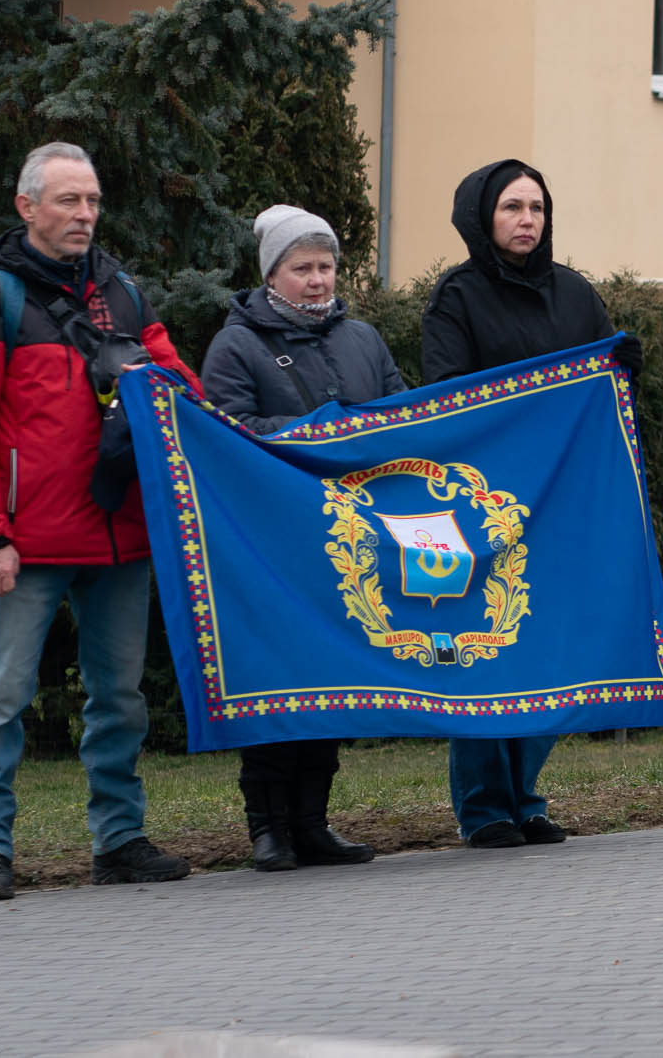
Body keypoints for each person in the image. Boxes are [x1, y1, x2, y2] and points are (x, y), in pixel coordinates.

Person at [0, 141, 197, 902]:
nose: (84, 215)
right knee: (2, 697)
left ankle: (119, 839)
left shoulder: (123, 292)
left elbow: (180, 388)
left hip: (119, 534)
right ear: (26, 206)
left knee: (120, 698)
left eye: (92, 201)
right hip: (26, 543)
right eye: (67, 201)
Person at [420, 160, 642, 847]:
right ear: (482, 217)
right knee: (487, 650)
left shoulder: (573, 294)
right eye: (512, 207)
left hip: (560, 503)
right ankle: (484, 805)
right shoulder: (455, 297)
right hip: (482, 505)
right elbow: (445, 395)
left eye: (537, 207)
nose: (527, 219)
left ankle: (527, 796)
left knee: (549, 647)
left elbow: (606, 397)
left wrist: (624, 368)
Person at [199, 206, 406, 871]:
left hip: (349, 541)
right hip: (271, 542)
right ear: (272, 275)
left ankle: (314, 821)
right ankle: (268, 826)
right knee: (277, 677)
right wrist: (323, 431)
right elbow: (229, 429)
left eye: (326, 266)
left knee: (332, 673)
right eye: (303, 268)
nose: (318, 280)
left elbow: (404, 415)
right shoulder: (236, 346)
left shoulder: (364, 339)